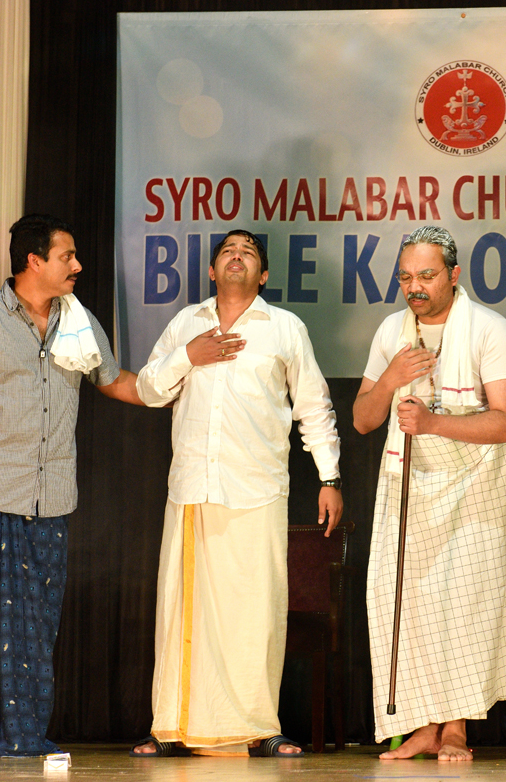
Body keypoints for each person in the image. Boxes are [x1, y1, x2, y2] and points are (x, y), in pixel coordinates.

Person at [0, 214, 144, 758]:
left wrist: (184, 381)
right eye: (67, 256)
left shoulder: (78, 320)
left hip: (51, 498)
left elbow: (114, 381)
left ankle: (21, 731)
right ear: (34, 261)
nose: (78, 266)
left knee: (36, 624)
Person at [133, 229, 343, 758]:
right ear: (211, 271)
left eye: (248, 252)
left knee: (255, 613)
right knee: (183, 612)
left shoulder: (285, 328)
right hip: (193, 488)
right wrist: (189, 356)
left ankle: (257, 729)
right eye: (228, 250)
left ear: (263, 275)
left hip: (257, 487)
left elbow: (314, 406)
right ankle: (170, 729)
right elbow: (149, 390)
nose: (237, 256)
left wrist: (330, 478)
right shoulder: (187, 323)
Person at [353, 225, 506, 761]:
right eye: (405, 277)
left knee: (461, 605)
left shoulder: (491, 329)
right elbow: (364, 419)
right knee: (402, 601)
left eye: (426, 275)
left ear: (454, 275)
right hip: (407, 484)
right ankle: (422, 726)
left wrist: (434, 423)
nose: (414, 287)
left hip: (477, 486)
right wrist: (390, 378)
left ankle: (456, 727)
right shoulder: (391, 331)